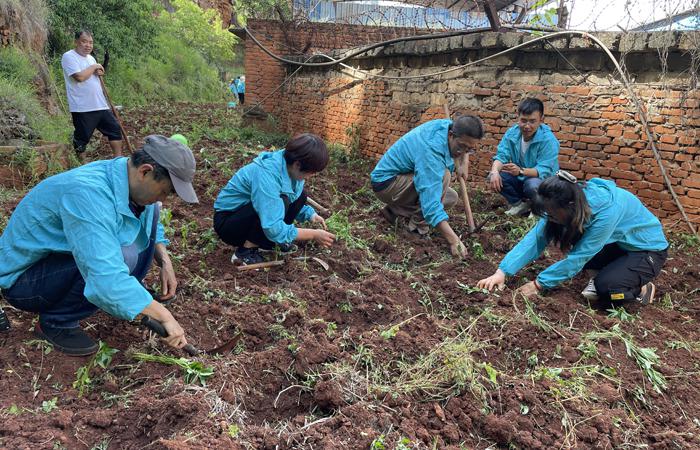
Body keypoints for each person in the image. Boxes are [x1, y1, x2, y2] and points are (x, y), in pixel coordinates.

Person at [0, 135, 199, 355]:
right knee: (119, 258)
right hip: (24, 280)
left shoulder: (128, 178)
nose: (165, 199)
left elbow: (151, 222)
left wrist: (165, 261)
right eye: (164, 191)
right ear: (145, 171)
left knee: (149, 215)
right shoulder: (88, 192)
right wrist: (163, 315)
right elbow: (104, 275)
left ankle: (128, 294)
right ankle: (56, 322)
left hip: (56, 263)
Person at [477, 171, 668, 305]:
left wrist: (538, 284)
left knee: (608, 291)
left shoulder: (606, 212)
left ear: (569, 205)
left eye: (552, 214)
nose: (549, 218)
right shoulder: (564, 202)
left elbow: (578, 257)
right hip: (616, 244)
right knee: (570, 233)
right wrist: (502, 272)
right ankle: (607, 273)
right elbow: (536, 238)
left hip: (647, 251)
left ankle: (641, 289)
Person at [370, 115, 484, 258]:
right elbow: (431, 206)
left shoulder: (448, 126)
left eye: (469, 149)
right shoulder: (431, 151)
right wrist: (454, 240)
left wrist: (464, 161)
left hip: (402, 179)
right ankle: (417, 229)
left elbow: (463, 143)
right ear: (451, 135)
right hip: (386, 183)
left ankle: (394, 211)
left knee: (451, 197)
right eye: (461, 146)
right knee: (444, 176)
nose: (463, 151)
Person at [213, 133, 335, 264]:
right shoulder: (267, 175)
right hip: (229, 223)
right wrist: (313, 234)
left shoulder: (287, 167)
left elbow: (293, 198)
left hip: (247, 214)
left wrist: (309, 215)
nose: (312, 176)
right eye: (311, 172)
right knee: (280, 201)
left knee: (301, 196)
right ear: (297, 164)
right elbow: (273, 226)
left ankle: (268, 244)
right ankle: (245, 252)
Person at [487, 98, 559, 216]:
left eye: (532, 121)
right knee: (495, 176)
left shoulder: (548, 140)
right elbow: (501, 155)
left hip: (543, 183)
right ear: (518, 118)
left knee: (532, 185)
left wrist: (520, 171)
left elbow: (544, 170)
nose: (527, 126)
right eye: (523, 120)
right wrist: (494, 172)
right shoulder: (512, 133)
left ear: (541, 120)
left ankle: (540, 209)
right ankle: (519, 204)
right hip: (522, 179)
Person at [61, 30, 123, 157]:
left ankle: (118, 159)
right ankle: (81, 163)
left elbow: (94, 77)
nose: (88, 45)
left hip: (100, 104)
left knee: (115, 129)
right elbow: (79, 77)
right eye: (84, 42)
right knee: (82, 138)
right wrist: (95, 67)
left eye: (90, 42)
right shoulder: (69, 56)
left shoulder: (91, 58)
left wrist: (99, 72)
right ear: (76, 42)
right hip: (83, 107)